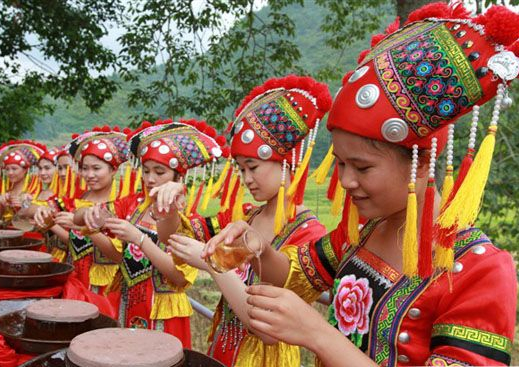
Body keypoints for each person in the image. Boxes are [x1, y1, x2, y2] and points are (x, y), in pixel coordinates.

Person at [224, 4, 518, 366]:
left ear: (421, 162)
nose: (346, 181)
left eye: (362, 167)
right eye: (341, 164)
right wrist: (258, 249)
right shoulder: (361, 232)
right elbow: (296, 276)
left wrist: (318, 334)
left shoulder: (479, 271)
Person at [156, 75, 332, 367]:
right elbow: (173, 237)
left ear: (288, 162)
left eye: (253, 167)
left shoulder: (308, 234)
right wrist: (169, 205)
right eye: (241, 169)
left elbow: (267, 329)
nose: (247, 179)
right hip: (223, 347)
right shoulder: (245, 216)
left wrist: (213, 265)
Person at [76, 120, 226, 348]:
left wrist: (139, 239)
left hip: (163, 313)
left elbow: (178, 276)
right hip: (128, 304)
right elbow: (83, 216)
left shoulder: (188, 218)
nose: (150, 179)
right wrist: (88, 215)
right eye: (146, 171)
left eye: (159, 172)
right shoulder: (132, 205)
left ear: (178, 177)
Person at [35, 126, 130, 293]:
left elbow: (118, 256)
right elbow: (38, 209)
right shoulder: (79, 199)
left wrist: (84, 228)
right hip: (75, 277)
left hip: (104, 287)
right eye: (84, 168)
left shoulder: (122, 205)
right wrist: (39, 211)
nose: (89, 175)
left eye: (96, 168)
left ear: (114, 169)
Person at [0, 140, 46, 222]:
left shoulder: (35, 193)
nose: (10, 173)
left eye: (14, 168)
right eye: (7, 169)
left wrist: (26, 205)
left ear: (25, 170)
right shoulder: (6, 192)